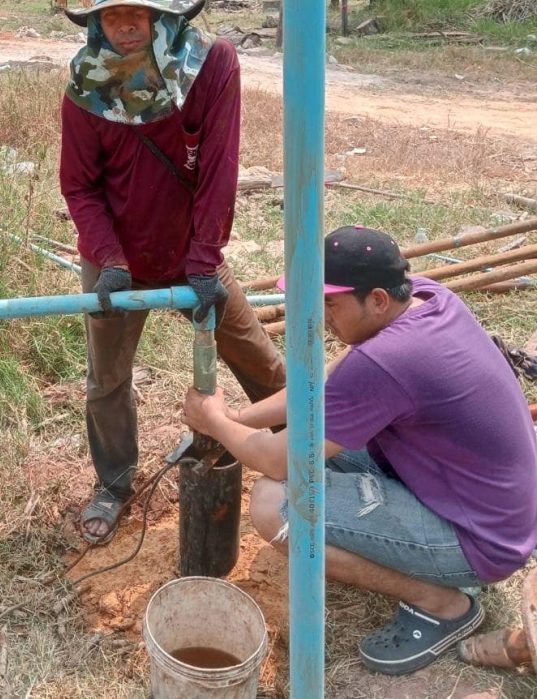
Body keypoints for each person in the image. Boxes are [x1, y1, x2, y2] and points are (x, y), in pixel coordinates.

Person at [183, 224, 537, 675]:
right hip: (490, 502)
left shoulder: (388, 360)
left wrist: (213, 420)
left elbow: (276, 458)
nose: (321, 316)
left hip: (483, 540)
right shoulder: (428, 298)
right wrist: (236, 419)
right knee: (301, 462)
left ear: (377, 300)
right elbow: (331, 381)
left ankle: (444, 603)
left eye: (330, 303)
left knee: (276, 506)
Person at [59, 0, 286, 543]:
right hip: (115, 258)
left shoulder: (213, 67)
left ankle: (312, 454)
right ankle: (113, 483)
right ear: (96, 21)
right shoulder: (86, 86)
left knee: (257, 356)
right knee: (106, 379)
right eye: (113, 14)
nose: (127, 25)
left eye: (141, 11)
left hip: (192, 252)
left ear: (165, 16)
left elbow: (219, 168)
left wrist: (206, 257)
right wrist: (107, 258)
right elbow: (79, 186)